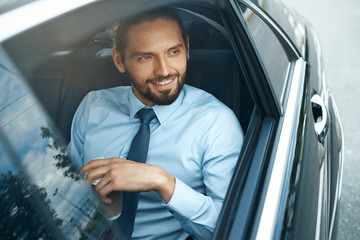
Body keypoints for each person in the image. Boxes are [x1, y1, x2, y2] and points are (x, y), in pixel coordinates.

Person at [68, 7, 244, 240]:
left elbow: (231, 229)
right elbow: (68, 186)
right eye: (146, 57)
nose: (164, 71)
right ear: (119, 61)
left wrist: (163, 182)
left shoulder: (216, 124)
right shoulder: (93, 107)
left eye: (173, 52)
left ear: (187, 49)